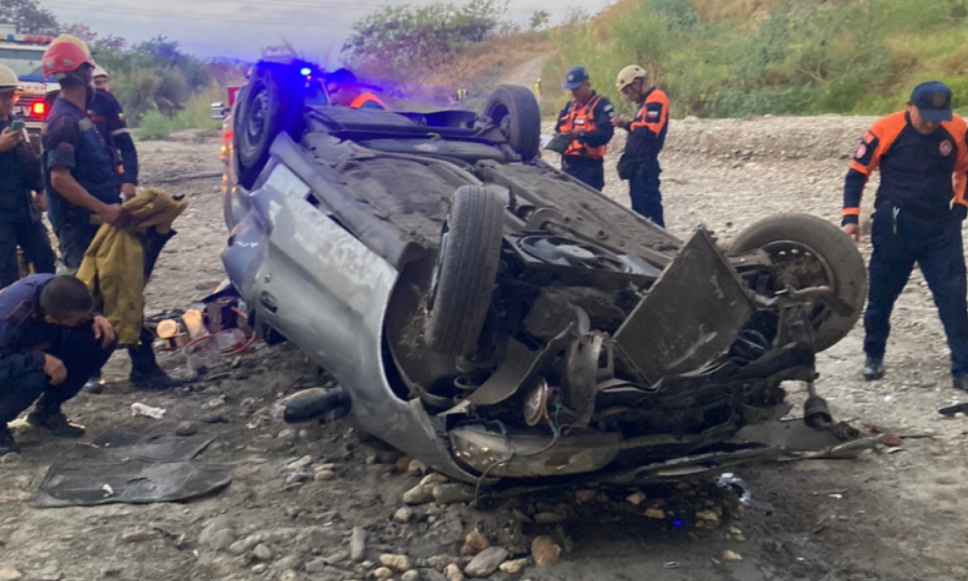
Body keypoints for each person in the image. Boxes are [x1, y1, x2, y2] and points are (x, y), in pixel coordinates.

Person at [40, 35, 181, 391]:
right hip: (83, 227)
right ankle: (84, 373)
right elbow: (60, 179)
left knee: (125, 288)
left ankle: (140, 367)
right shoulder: (64, 120)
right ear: (87, 71)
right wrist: (105, 209)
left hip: (101, 223)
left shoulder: (76, 115)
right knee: (86, 298)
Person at [842, 81, 968, 392]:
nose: (930, 122)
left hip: (941, 227)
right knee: (881, 298)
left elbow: (967, 170)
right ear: (909, 106)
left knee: (953, 299)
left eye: (937, 116)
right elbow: (857, 172)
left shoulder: (956, 129)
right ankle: (873, 356)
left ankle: (963, 368)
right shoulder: (884, 129)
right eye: (924, 115)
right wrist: (850, 218)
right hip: (895, 225)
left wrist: (962, 205)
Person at [0, 274, 116, 455]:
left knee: (100, 338)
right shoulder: (10, 319)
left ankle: (46, 412)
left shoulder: (56, 288)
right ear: (50, 320)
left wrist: (94, 317)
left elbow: (71, 307)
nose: (83, 322)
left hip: (30, 344)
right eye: (79, 320)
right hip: (5, 355)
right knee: (34, 378)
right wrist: (39, 360)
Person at [0, 64, 56, 288]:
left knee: (44, 260)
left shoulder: (14, 124)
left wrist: (41, 188)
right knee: (6, 271)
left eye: (11, 95)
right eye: (4, 96)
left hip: (23, 208)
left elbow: (29, 160)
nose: (10, 101)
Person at [611, 65, 670, 227]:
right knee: (638, 214)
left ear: (636, 83)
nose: (627, 97)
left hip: (645, 166)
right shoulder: (643, 104)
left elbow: (650, 131)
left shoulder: (656, 98)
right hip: (636, 167)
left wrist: (627, 124)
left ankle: (664, 246)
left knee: (651, 211)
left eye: (627, 91)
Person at [553, 66, 615, 191]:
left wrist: (580, 134)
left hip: (589, 168)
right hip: (568, 166)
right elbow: (559, 128)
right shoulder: (569, 106)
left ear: (587, 84)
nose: (573, 93)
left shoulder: (601, 105)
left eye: (576, 88)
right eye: (571, 89)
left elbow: (605, 135)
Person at [90, 65, 139, 201]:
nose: (103, 87)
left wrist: (129, 180)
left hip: (108, 173)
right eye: (97, 83)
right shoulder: (70, 108)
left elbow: (126, 145)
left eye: (104, 82)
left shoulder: (109, 103)